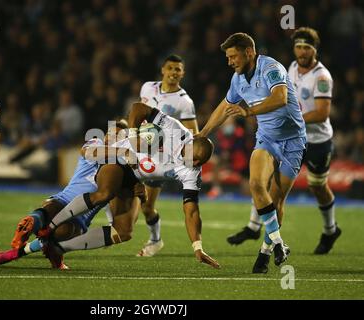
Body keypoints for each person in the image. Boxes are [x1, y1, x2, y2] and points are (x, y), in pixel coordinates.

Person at [41, 102, 220, 269]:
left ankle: (59, 248)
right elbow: (138, 108)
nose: (195, 163)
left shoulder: (193, 170)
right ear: (189, 143)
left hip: (133, 178)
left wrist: (198, 247)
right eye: (193, 157)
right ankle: (49, 227)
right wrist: (133, 135)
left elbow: (192, 210)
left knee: (124, 231)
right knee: (104, 193)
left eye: (199, 162)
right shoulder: (174, 129)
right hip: (118, 158)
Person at [226, 27, 341, 255]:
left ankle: (330, 229)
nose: (301, 51)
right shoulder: (290, 68)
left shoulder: (322, 77)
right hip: (286, 137)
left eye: (306, 47)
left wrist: (290, 117)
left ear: (314, 50)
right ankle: (255, 228)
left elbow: (321, 113)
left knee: (317, 186)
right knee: (264, 182)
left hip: (316, 140)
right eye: (298, 46)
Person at [199, 33, 306, 273]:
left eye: (233, 56)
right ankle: (279, 243)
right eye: (228, 58)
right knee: (257, 185)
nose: (230, 62)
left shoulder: (271, 68)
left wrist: (249, 111)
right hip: (266, 139)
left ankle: (265, 251)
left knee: (277, 199)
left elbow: (280, 98)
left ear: (248, 52)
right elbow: (225, 106)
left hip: (293, 141)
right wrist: (203, 133)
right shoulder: (238, 79)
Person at [0, 120, 145, 269]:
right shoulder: (96, 144)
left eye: (118, 136)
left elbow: (119, 213)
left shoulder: (123, 169)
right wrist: (124, 153)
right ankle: (37, 236)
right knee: (59, 223)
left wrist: (137, 192)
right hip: (65, 204)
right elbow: (88, 152)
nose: (112, 138)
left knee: (59, 229)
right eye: (111, 134)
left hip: (73, 217)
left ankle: (32, 224)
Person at [134, 54, 199, 257]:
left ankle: (155, 240)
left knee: (147, 207)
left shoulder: (184, 102)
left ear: (183, 73)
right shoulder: (147, 88)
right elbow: (138, 114)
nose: (173, 72)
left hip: (160, 159)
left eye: (177, 69)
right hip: (138, 149)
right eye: (170, 68)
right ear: (162, 69)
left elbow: (193, 134)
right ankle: (117, 224)